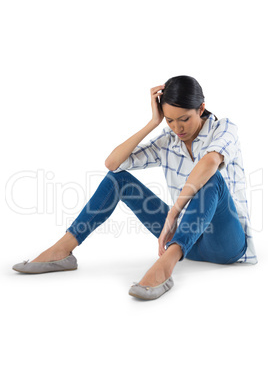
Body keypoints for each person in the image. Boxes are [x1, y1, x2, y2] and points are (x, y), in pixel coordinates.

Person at [12, 75, 258, 301]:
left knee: (211, 178)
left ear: (201, 108)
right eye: (170, 120)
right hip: (187, 239)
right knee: (117, 178)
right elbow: (113, 163)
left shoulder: (224, 128)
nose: (178, 128)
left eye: (184, 119)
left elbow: (210, 162)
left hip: (226, 244)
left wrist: (173, 213)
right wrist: (153, 122)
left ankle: (166, 265)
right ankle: (63, 249)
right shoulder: (167, 141)